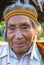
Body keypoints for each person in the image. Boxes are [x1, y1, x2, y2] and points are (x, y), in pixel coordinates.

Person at [0, 1, 43, 65]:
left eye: (24, 27)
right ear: (6, 32)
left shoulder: (42, 54)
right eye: (12, 28)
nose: (18, 36)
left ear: (35, 30)